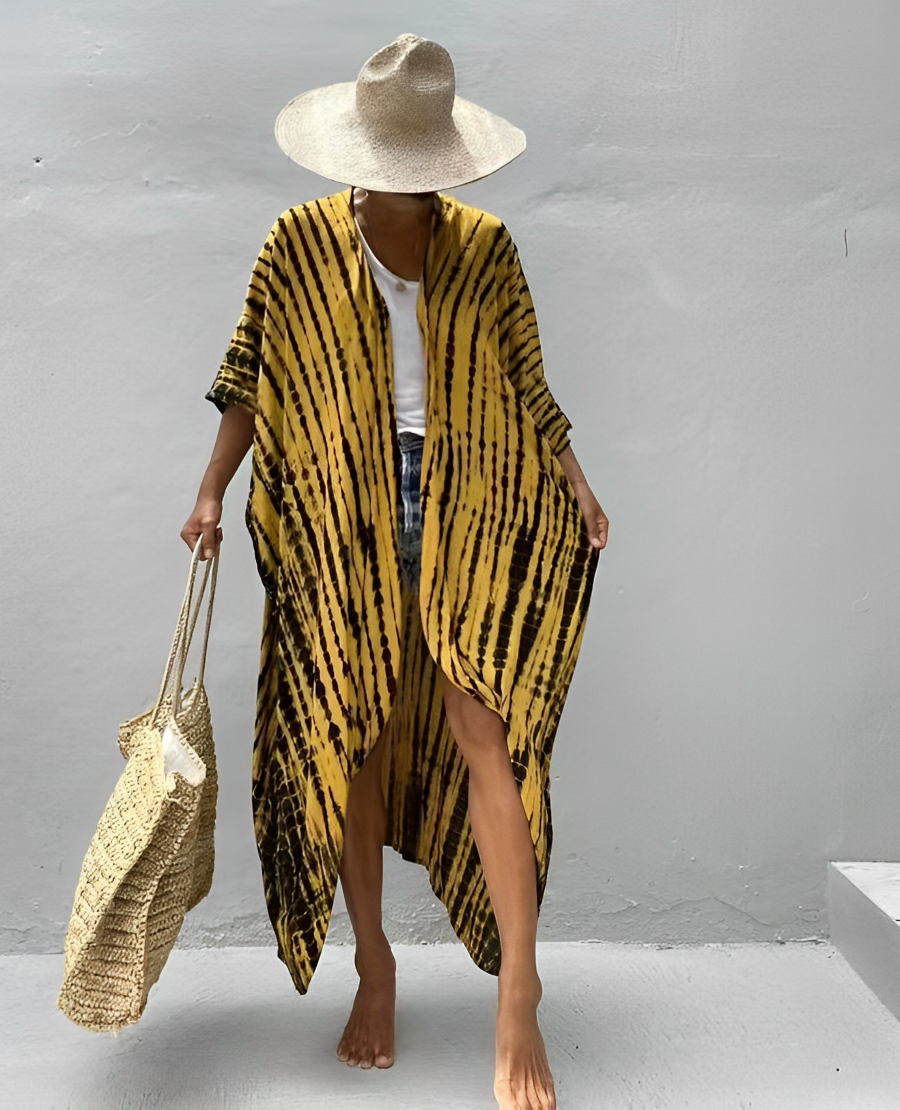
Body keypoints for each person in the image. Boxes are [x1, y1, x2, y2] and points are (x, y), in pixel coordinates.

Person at [181, 32, 608, 1110]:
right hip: (339, 511)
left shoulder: (488, 248)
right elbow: (250, 375)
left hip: (474, 500)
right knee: (354, 727)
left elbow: (529, 382)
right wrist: (210, 491)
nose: (399, 188)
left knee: (484, 730)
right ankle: (373, 962)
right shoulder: (295, 245)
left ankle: (521, 993)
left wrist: (578, 482)